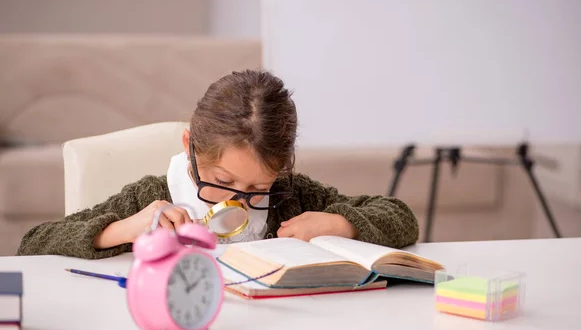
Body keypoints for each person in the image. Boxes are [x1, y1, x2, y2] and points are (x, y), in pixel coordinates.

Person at [16, 70, 419, 260]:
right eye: (222, 181)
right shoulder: (153, 196)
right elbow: (33, 243)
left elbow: (400, 217)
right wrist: (125, 228)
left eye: (257, 189)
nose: (239, 203)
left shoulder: (289, 196)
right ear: (190, 147)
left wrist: (340, 223)